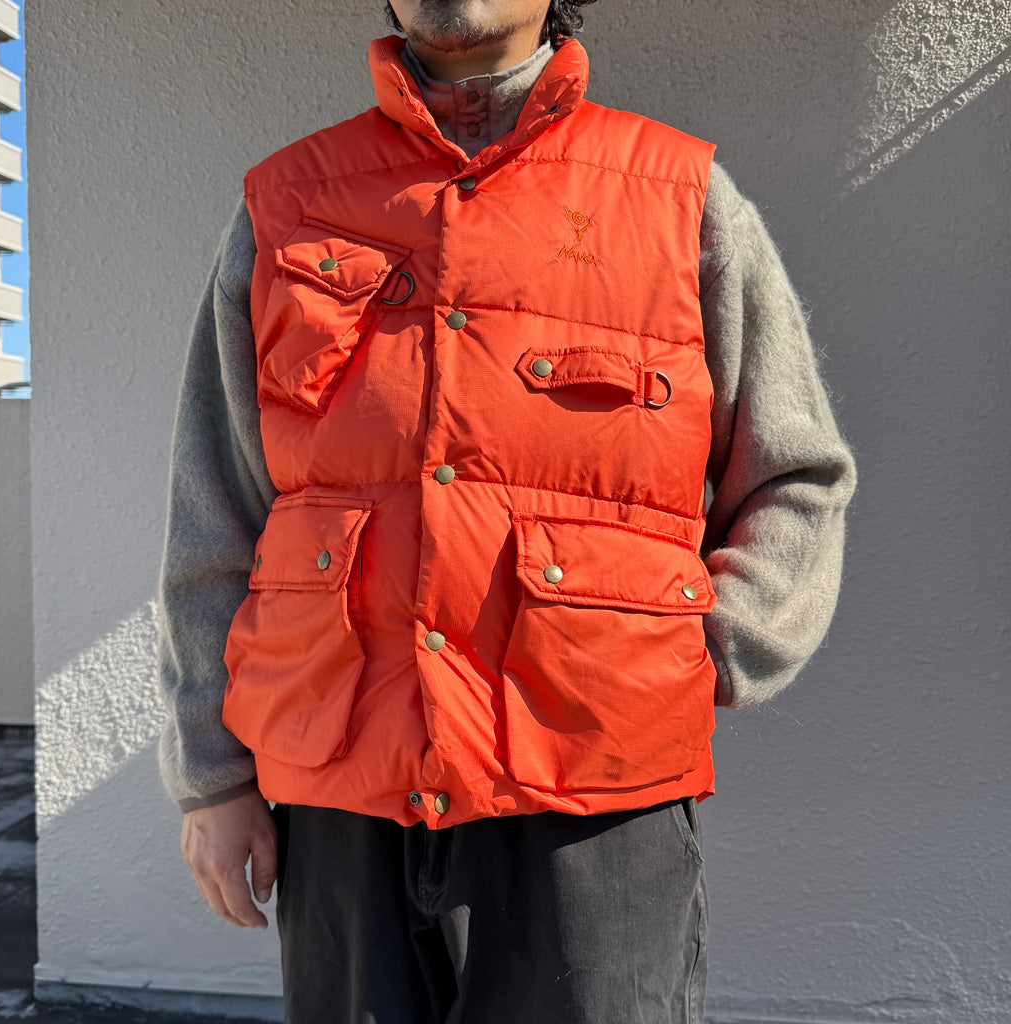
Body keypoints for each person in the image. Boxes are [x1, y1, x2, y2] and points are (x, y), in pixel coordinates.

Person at [156, 2, 857, 1022]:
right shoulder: (284, 205)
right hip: (340, 800)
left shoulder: (681, 198)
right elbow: (214, 508)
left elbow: (795, 475)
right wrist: (212, 775)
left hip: (595, 800)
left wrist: (696, 656)